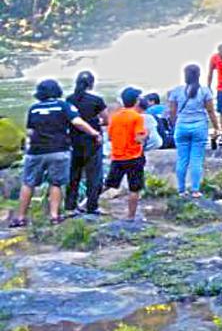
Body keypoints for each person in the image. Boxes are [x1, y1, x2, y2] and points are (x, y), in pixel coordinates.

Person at [10, 79, 100, 227]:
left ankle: (20, 217)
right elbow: (77, 122)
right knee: (56, 183)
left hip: (36, 151)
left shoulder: (34, 108)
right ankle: (54, 216)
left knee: (28, 183)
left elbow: (30, 132)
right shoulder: (63, 105)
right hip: (58, 150)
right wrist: (94, 133)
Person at [65, 70, 107, 215]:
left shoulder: (69, 99)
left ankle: (70, 206)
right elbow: (106, 119)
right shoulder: (97, 100)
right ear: (91, 84)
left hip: (74, 140)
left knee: (74, 174)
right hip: (92, 140)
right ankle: (92, 206)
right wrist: (98, 124)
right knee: (94, 174)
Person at [104, 87, 149, 221]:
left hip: (118, 156)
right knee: (134, 188)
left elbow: (110, 137)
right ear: (136, 101)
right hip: (134, 157)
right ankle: (130, 216)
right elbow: (138, 138)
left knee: (108, 184)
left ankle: (87, 203)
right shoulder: (137, 117)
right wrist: (146, 134)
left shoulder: (115, 117)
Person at [168, 64, 212, 197]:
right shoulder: (204, 91)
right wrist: (216, 127)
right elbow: (210, 111)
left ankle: (181, 190)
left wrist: (175, 125)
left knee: (182, 159)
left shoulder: (176, 91)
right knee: (196, 160)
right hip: (199, 126)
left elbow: (172, 112)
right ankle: (195, 190)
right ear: (199, 75)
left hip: (181, 126)